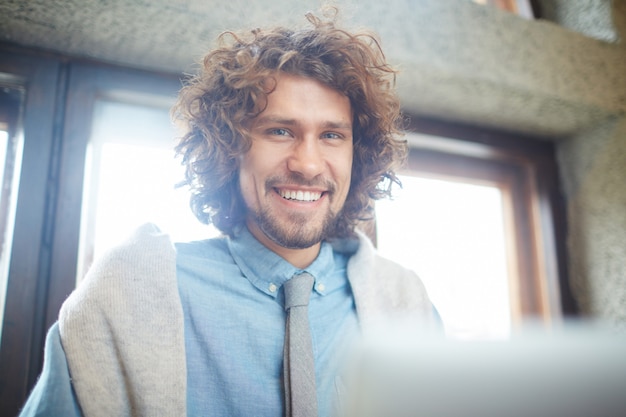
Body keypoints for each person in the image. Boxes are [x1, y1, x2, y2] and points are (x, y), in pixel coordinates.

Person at [20, 11, 439, 417]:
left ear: (356, 154)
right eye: (280, 131)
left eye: (332, 135)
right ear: (229, 146)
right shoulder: (130, 291)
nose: (308, 164)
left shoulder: (406, 303)